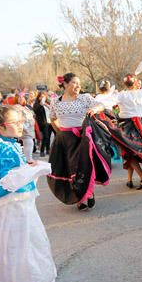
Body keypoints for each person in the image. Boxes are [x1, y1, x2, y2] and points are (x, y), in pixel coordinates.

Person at [0, 105, 57, 282]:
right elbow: (10, 180)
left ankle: (15, 277)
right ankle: (19, 280)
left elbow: (17, 169)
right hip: (10, 202)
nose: (21, 125)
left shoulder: (11, 143)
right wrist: (38, 169)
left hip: (19, 199)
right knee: (17, 239)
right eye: (15, 122)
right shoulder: (0, 148)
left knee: (22, 237)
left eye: (22, 121)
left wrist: (30, 166)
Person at [47, 73, 111, 210]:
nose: (78, 86)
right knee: (70, 169)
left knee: (83, 165)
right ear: (65, 84)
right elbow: (52, 119)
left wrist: (94, 109)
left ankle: (88, 192)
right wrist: (59, 132)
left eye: (79, 83)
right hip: (64, 139)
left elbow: (101, 105)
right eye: (75, 83)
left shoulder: (84, 98)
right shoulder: (55, 101)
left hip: (82, 137)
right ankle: (79, 198)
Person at [14, 93, 37, 163]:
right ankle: (28, 159)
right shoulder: (16, 108)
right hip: (24, 128)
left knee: (29, 143)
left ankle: (27, 159)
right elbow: (17, 118)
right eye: (19, 98)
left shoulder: (26, 107)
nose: (21, 99)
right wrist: (23, 127)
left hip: (29, 127)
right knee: (28, 143)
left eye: (22, 98)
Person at [33, 91, 52, 157]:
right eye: (41, 96)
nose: (42, 97)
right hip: (42, 123)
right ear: (38, 97)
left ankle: (48, 149)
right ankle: (42, 151)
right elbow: (36, 111)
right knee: (44, 136)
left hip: (50, 122)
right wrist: (41, 104)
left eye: (43, 96)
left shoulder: (48, 103)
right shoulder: (37, 104)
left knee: (48, 137)